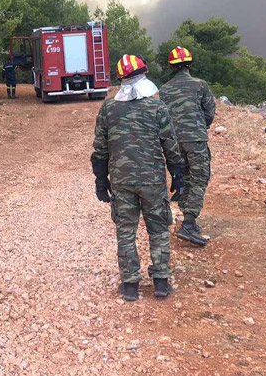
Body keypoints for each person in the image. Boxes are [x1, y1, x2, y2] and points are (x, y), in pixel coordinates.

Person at [91, 54, 184, 301]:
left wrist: (101, 180)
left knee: (126, 231)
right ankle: (161, 282)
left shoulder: (109, 108)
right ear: (146, 73)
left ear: (120, 78)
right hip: (152, 180)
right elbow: (170, 144)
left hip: (121, 182)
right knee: (158, 229)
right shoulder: (156, 107)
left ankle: (130, 285)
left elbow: (100, 149)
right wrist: (177, 173)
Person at [158, 46, 215, 247]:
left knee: (183, 179)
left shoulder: (164, 89)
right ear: (190, 64)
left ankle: (188, 218)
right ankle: (189, 224)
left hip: (173, 142)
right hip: (196, 140)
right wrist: (198, 128)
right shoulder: (200, 85)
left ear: (171, 67)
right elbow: (209, 113)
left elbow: (162, 118)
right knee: (199, 178)